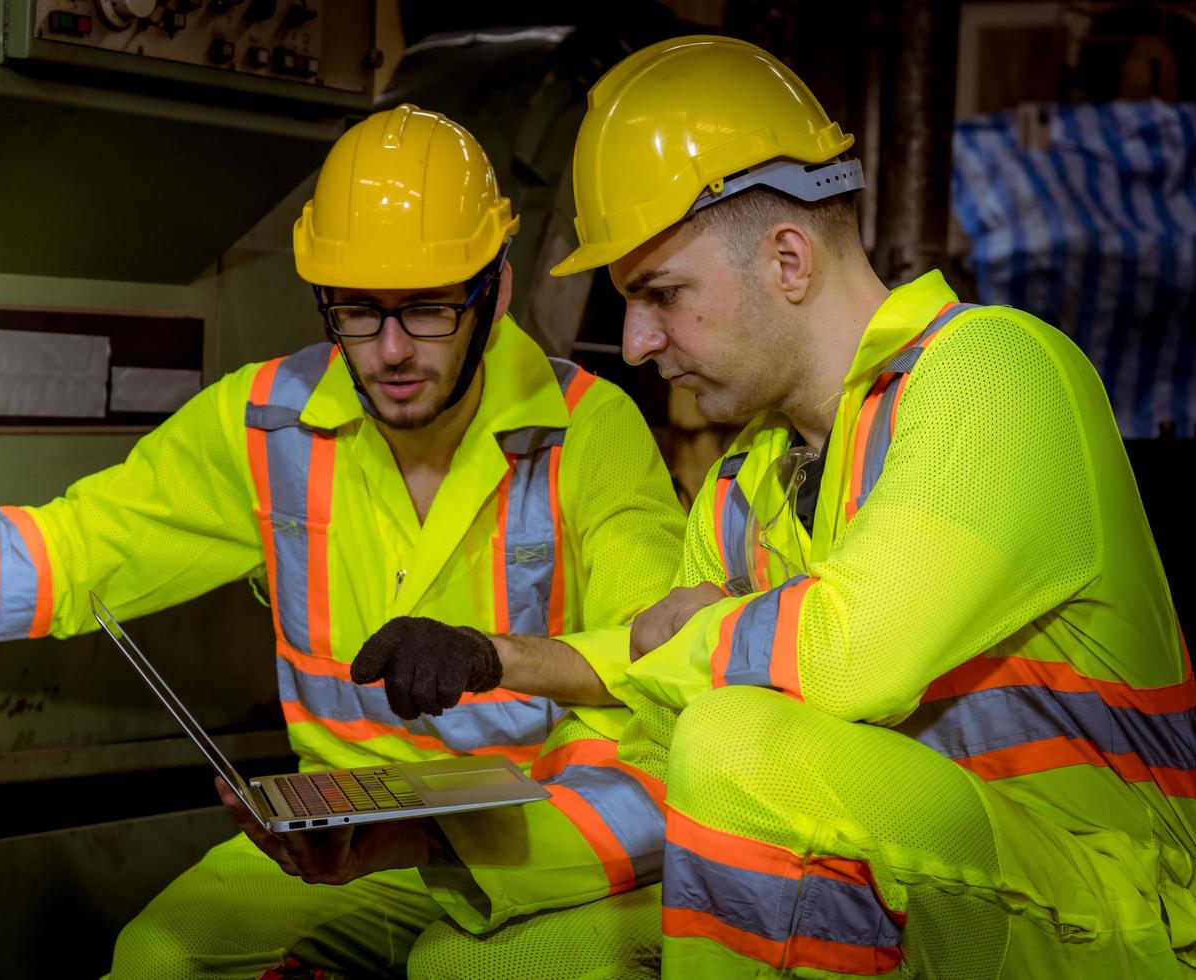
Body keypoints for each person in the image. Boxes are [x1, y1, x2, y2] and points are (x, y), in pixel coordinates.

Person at [0, 104, 687, 978]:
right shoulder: (267, 422)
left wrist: (498, 658)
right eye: (357, 309)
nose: (391, 350)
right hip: (344, 843)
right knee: (157, 962)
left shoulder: (588, 430)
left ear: (497, 289)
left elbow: (664, 658)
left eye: (430, 307)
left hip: (540, 845)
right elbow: (87, 545)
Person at [413, 35, 1196, 978]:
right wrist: (488, 698)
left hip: (1105, 915)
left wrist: (691, 642)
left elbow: (842, 656)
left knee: (736, 739)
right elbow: (668, 721)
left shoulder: (997, 371)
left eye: (660, 293)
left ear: (788, 259)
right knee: (475, 964)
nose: (636, 340)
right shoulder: (747, 482)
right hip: (896, 881)